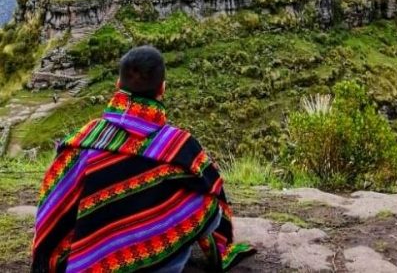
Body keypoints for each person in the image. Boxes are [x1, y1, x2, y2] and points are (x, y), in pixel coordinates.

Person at [32, 46, 255, 272]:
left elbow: (53, 205)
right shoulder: (179, 144)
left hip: (83, 262)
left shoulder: (81, 141)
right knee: (207, 200)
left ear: (118, 85)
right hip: (156, 256)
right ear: (162, 89)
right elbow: (213, 188)